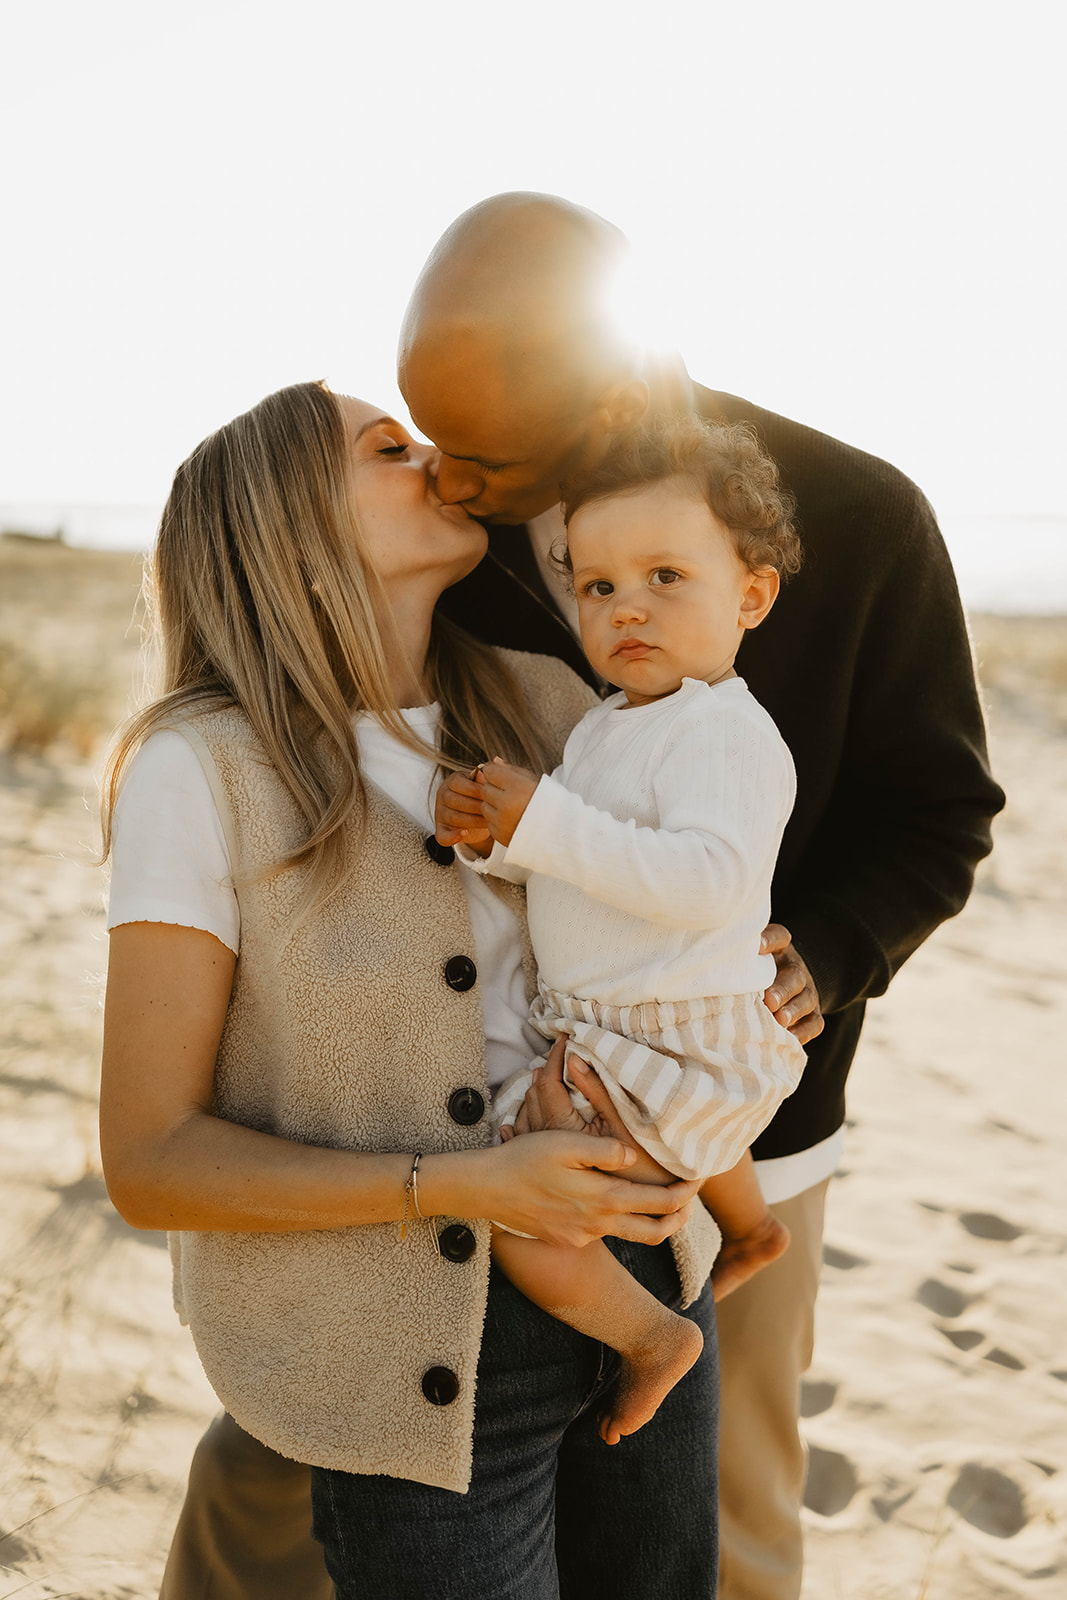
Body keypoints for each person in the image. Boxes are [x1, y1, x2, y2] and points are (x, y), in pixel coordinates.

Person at [155, 192, 1006, 1599]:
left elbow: (940, 812)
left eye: (486, 453)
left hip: (728, 1124)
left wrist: (833, 951)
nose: (453, 478)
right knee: (269, 1469)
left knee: (722, 1507)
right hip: (457, 1111)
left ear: (616, 384)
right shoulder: (454, 535)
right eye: (434, 438)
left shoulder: (856, 519)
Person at [99, 379, 719, 1600]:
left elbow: (670, 923)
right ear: (292, 529)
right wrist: (462, 1183)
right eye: (389, 447)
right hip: (416, 1363)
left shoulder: (548, 703)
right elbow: (149, 1156)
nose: (437, 456)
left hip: (651, 1286)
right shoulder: (199, 769)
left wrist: (774, 971)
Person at [434, 415, 807, 1448]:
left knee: (522, 1215)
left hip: (663, 1022)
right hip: (637, 1021)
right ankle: (750, 1224)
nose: (625, 607)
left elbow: (704, 880)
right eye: (597, 587)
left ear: (750, 594)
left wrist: (542, 821)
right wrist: (497, 844)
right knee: (698, 1124)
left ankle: (650, 1338)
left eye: (663, 577)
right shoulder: (610, 721)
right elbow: (587, 865)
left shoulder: (722, 730)